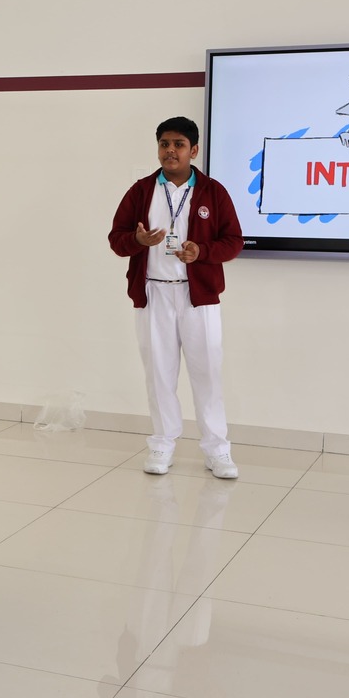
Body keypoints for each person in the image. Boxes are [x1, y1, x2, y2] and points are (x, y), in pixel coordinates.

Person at [108, 116, 244, 478]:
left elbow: (234, 241)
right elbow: (116, 239)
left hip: (198, 298)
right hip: (154, 293)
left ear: (193, 150)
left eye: (179, 145)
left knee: (207, 374)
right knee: (158, 375)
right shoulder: (141, 191)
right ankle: (162, 445)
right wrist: (137, 241)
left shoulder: (213, 192)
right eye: (164, 144)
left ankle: (218, 450)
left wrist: (202, 252)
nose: (170, 151)